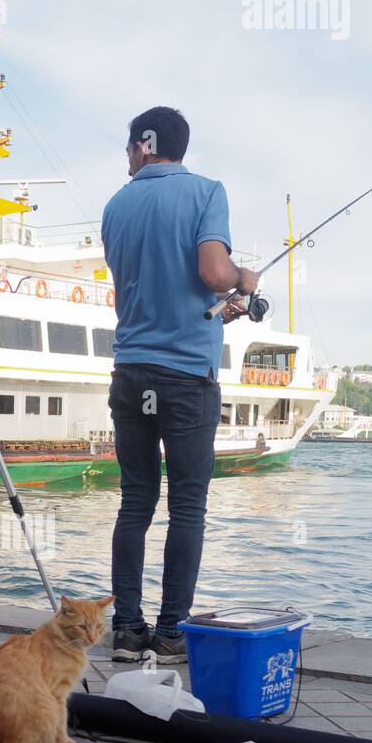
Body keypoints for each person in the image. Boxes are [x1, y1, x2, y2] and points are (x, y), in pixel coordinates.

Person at [101, 106, 258, 663]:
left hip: (132, 372)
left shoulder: (116, 206)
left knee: (135, 501)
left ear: (145, 144)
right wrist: (243, 278)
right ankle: (170, 635)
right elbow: (214, 274)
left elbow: (150, 288)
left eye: (127, 146)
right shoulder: (207, 192)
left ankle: (125, 630)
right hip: (186, 376)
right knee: (188, 505)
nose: (125, 156)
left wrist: (214, 307)